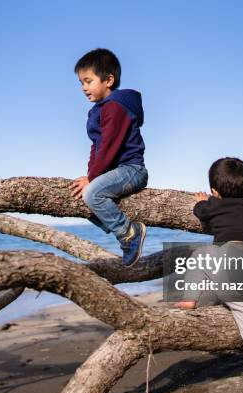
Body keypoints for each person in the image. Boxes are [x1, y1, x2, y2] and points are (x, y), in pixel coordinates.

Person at [174, 157, 243, 393]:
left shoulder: (213, 205)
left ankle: (190, 299)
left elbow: (199, 211)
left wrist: (204, 202)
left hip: (228, 271)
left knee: (200, 255)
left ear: (214, 191)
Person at [69, 48, 148, 266]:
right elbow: (96, 148)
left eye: (88, 81)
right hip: (115, 171)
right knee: (82, 197)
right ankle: (114, 224)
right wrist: (89, 175)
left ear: (109, 80)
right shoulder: (96, 111)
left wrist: (92, 179)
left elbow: (110, 147)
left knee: (91, 193)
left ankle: (129, 232)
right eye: (81, 83)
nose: (84, 88)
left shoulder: (116, 106)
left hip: (131, 170)